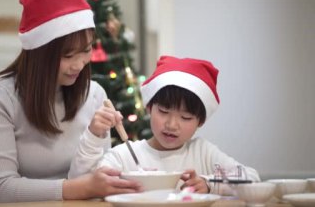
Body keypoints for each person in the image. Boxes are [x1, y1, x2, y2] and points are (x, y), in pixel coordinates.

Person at [0, 0, 141, 204]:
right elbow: (1, 188)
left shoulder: (94, 94)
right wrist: (82, 188)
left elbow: (100, 169)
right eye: (68, 56)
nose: (79, 65)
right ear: (39, 53)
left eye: (86, 51)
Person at [73, 55, 261, 195]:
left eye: (186, 117)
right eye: (163, 112)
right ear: (148, 108)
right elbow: (81, 184)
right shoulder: (125, 156)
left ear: (200, 121)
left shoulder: (203, 153)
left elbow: (251, 178)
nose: (172, 125)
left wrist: (209, 183)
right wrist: (93, 135)